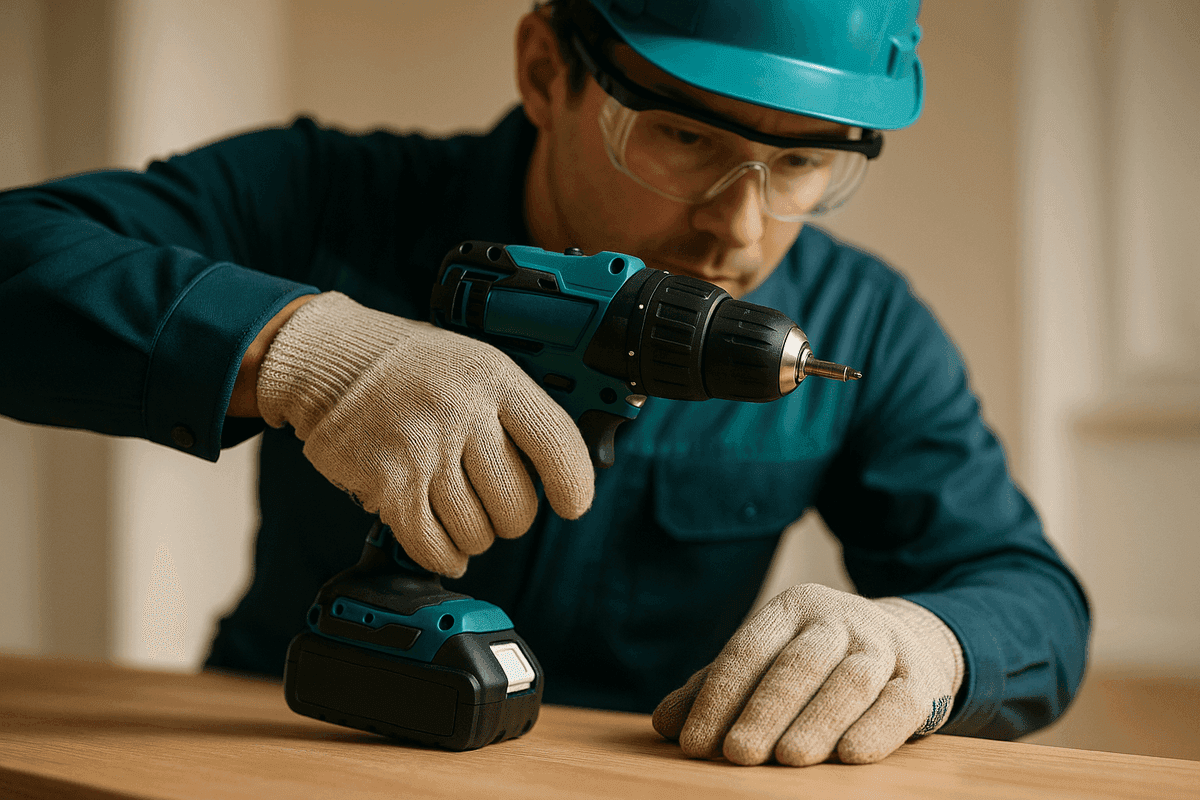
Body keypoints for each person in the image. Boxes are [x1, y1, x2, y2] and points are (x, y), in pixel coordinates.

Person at [0, 0, 1088, 766]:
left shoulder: (866, 325)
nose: (738, 225)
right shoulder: (329, 199)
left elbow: (1028, 591)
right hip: (272, 745)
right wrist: (298, 347)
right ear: (543, 69)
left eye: (803, 163)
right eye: (680, 135)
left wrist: (927, 640)